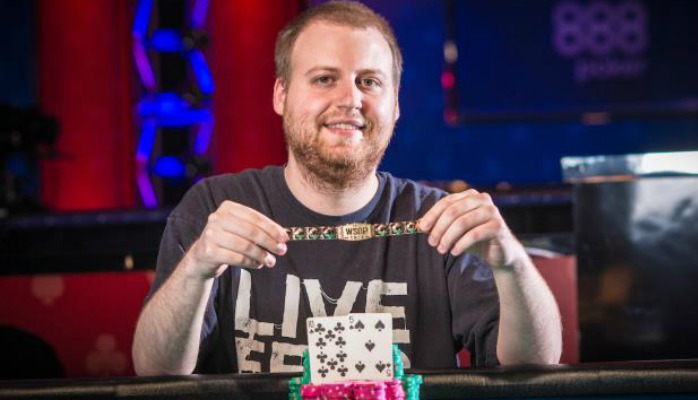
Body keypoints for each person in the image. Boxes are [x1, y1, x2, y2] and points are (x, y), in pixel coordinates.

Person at [132, 0, 562, 376]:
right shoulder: (215, 207)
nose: (350, 99)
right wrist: (197, 266)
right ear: (281, 94)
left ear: (396, 104)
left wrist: (511, 263)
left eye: (369, 81)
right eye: (324, 79)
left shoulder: (439, 221)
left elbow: (534, 365)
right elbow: (154, 370)